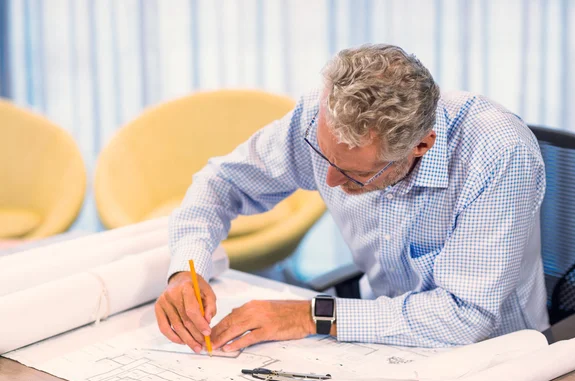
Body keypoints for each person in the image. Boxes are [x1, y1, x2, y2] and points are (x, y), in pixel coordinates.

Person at [154, 44, 549, 354]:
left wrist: (309, 316)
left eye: (356, 173)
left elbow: (465, 317)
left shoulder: (499, 154)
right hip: (380, 344)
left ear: (421, 146)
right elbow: (220, 183)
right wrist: (187, 269)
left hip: (496, 354)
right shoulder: (320, 117)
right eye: (324, 156)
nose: (328, 179)